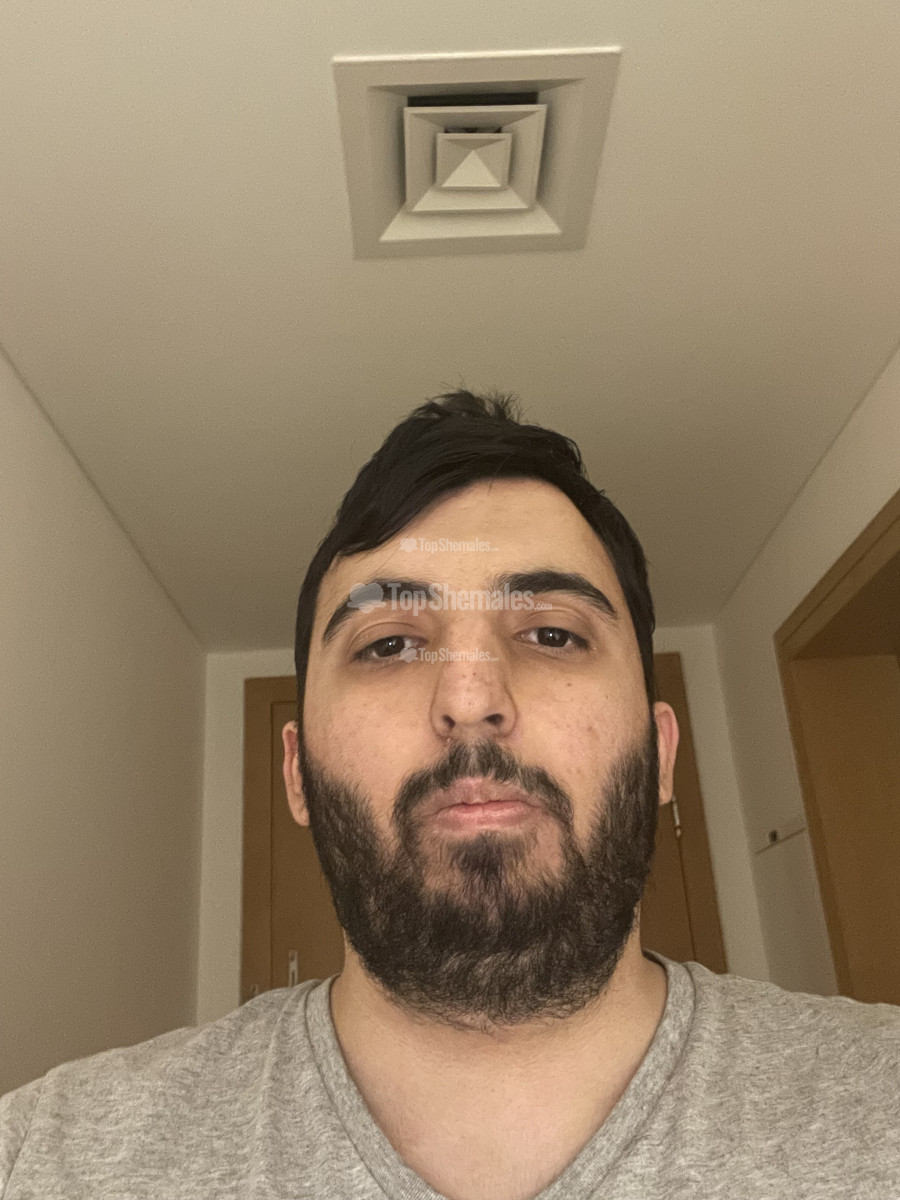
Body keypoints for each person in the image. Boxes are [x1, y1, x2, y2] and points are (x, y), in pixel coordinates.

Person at [1, 390, 897, 1199]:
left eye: (552, 633)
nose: (470, 700)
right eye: (388, 644)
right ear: (296, 772)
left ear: (661, 754)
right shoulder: (46, 1156)